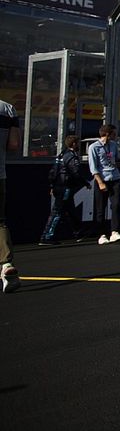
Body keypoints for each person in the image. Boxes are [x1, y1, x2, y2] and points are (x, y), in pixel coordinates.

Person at [39, 135, 90, 245]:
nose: (79, 145)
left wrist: (52, 186)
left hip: (59, 186)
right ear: (74, 144)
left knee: (70, 210)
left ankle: (79, 232)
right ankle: (46, 236)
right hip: (65, 187)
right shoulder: (71, 156)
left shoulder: (61, 155)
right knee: (57, 211)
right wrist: (86, 183)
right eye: (78, 143)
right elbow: (75, 173)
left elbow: (53, 172)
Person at [88, 123, 120, 244]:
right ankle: (102, 234)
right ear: (108, 134)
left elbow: (118, 158)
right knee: (100, 208)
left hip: (115, 177)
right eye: (114, 133)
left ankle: (114, 231)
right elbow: (93, 168)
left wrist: (117, 162)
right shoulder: (94, 147)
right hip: (102, 179)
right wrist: (100, 182)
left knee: (116, 205)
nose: (115, 136)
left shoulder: (114, 145)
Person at [1, 98, 21, 293]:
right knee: (0, 222)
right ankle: (6, 265)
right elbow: (14, 144)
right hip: (0, 174)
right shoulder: (7, 108)